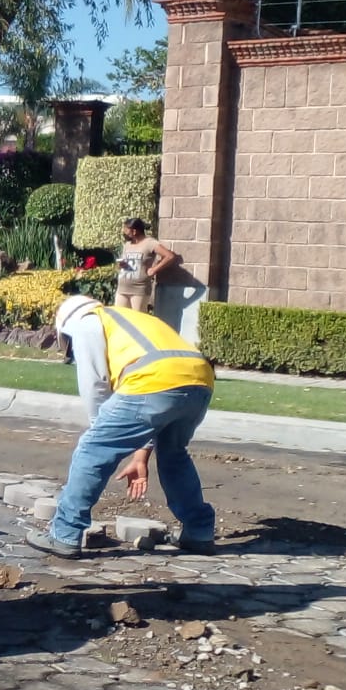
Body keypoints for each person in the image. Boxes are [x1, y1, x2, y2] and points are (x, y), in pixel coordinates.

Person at [25, 294, 216, 559]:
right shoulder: (130, 317)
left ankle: (65, 533)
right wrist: (141, 453)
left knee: (91, 449)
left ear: (64, 327)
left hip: (154, 379)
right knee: (174, 454)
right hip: (200, 380)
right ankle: (199, 531)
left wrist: (100, 433)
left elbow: (95, 385)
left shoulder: (86, 322)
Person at [115, 217, 177, 313]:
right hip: (122, 289)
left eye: (126, 230)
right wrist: (121, 265)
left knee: (138, 321)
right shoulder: (127, 244)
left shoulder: (150, 243)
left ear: (134, 231)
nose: (124, 232)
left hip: (139, 290)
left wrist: (154, 269)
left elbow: (169, 256)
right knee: (120, 319)